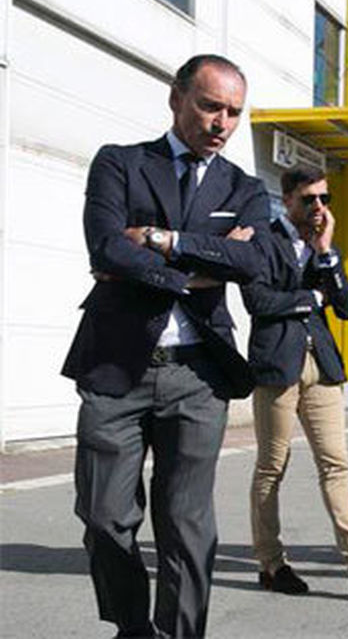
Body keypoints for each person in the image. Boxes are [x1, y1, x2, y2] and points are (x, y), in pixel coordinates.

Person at [62, 54, 269, 638]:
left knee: (185, 523)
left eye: (233, 113)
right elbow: (105, 248)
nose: (221, 123)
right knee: (104, 518)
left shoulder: (245, 188)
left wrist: (161, 240)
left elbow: (254, 260)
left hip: (199, 375)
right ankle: (133, 628)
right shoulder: (121, 164)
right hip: (115, 364)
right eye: (210, 106)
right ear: (175, 97)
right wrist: (198, 267)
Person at [241, 165, 348, 595]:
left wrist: (327, 253)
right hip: (277, 367)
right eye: (309, 199)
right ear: (287, 198)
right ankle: (271, 564)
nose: (318, 207)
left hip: (323, 368)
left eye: (324, 200)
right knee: (272, 467)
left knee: (336, 464)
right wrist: (310, 297)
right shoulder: (261, 241)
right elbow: (257, 301)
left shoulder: (323, 248)